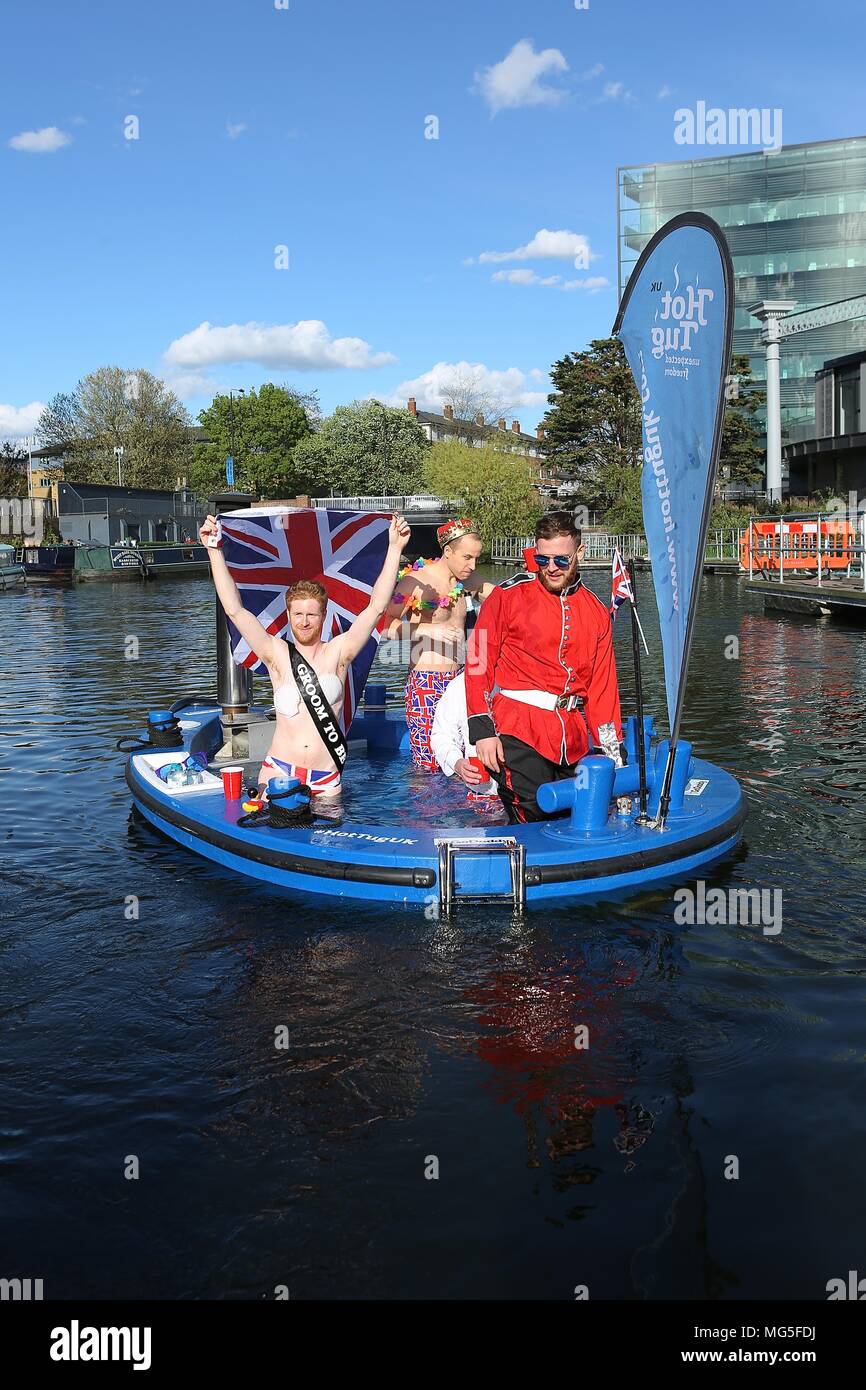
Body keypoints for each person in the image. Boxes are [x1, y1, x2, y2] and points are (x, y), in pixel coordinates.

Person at [199, 511, 411, 797]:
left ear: (323, 615)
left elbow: (375, 607)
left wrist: (395, 548)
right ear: (288, 614)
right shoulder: (275, 653)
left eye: (311, 614)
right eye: (298, 614)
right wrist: (214, 551)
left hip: (326, 777)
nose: (304, 621)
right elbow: (235, 610)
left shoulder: (340, 652)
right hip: (278, 771)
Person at [465, 510, 624, 823]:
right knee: (533, 819)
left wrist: (612, 750)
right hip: (516, 730)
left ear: (580, 552)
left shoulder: (595, 610)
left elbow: (602, 689)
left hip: (573, 737)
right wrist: (482, 731)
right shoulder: (506, 597)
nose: (551, 568)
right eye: (543, 559)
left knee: (577, 820)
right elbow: (477, 662)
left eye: (561, 560)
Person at [384, 518, 495, 771]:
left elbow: (505, 598)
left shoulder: (466, 580)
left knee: (465, 757)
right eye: (467, 557)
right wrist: (428, 629)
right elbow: (386, 626)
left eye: (476, 558)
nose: (473, 565)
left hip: (461, 681)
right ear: (447, 551)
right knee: (428, 764)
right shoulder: (413, 582)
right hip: (426, 682)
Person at [430, 671, 498, 799]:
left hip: (525, 791)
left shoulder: (526, 679)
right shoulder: (459, 685)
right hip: (482, 794)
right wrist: (457, 763)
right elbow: (441, 735)